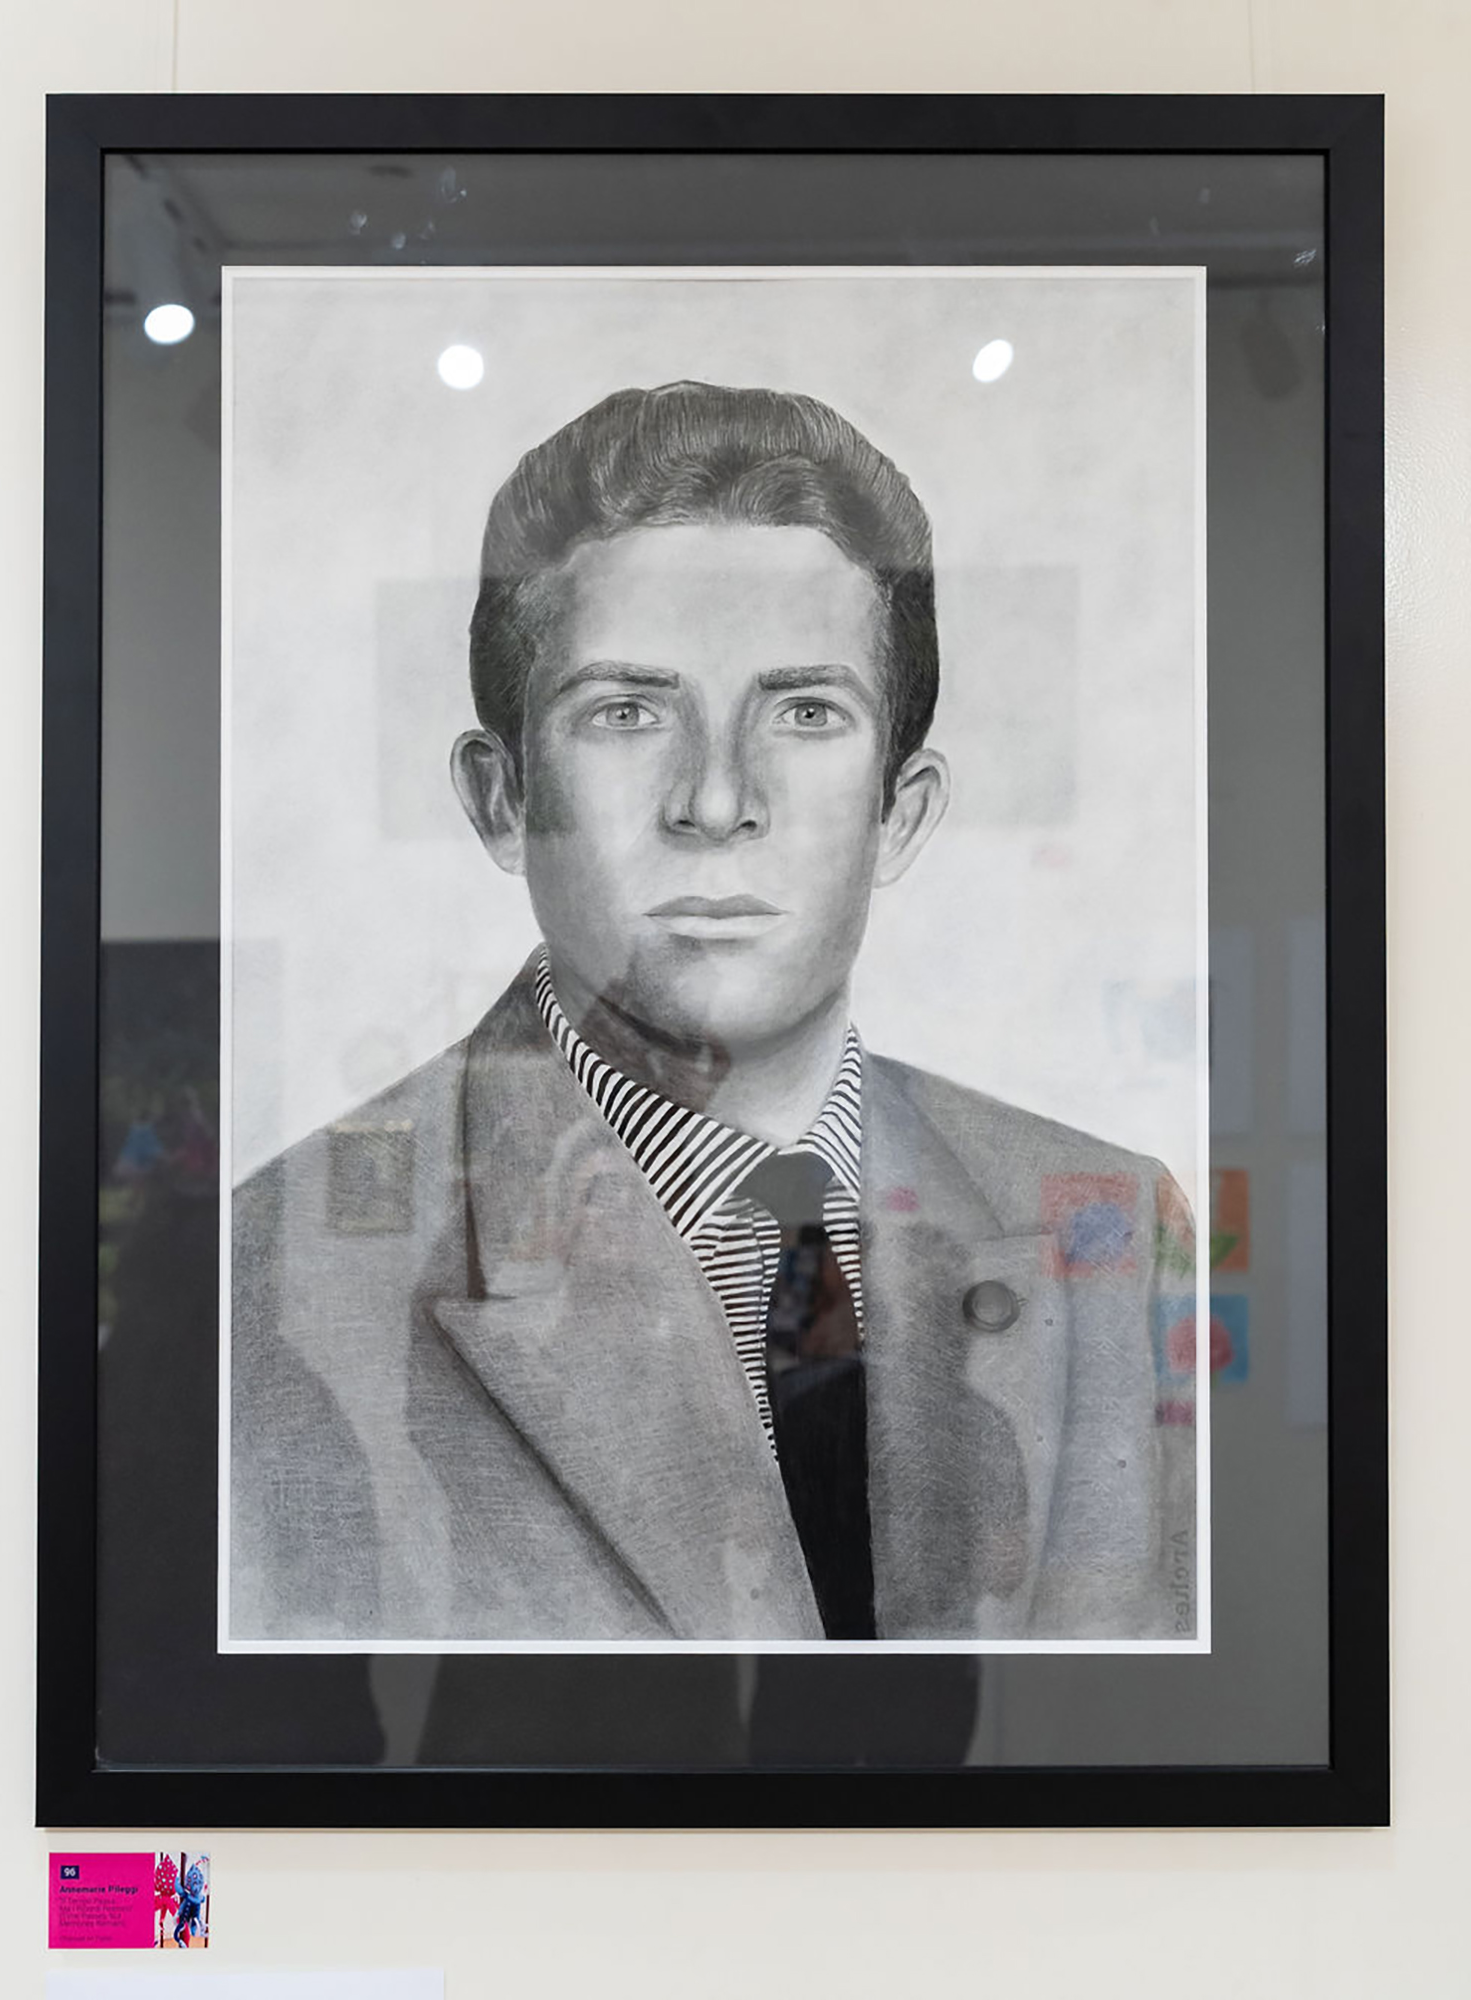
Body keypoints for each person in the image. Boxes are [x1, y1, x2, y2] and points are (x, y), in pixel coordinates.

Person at [230, 380, 1196, 1645]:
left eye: (805, 712)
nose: (718, 800)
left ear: (900, 810)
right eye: (626, 711)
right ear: (501, 797)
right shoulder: (254, 1287)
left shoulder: (1114, 1229)